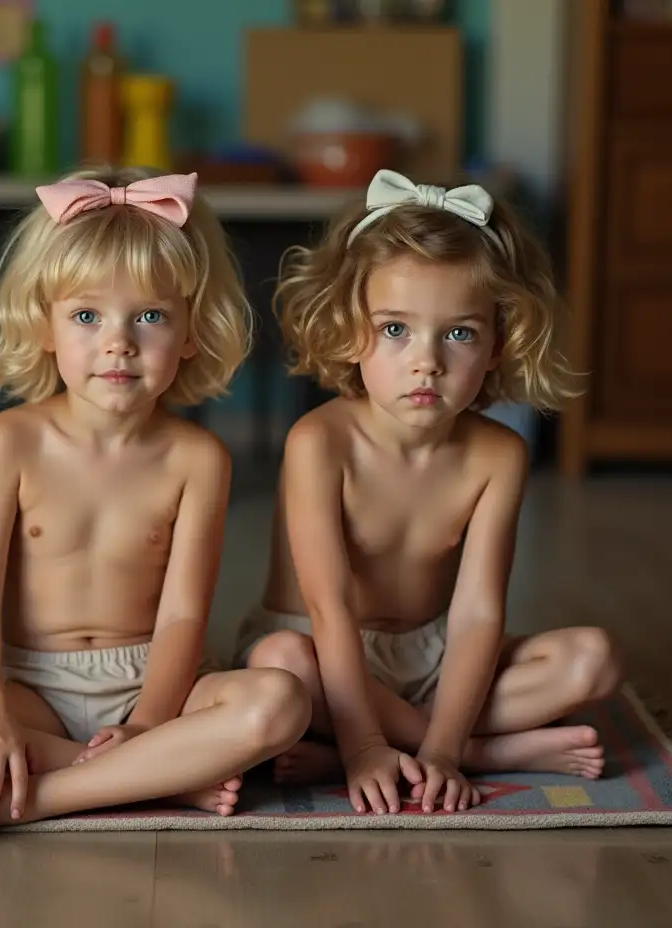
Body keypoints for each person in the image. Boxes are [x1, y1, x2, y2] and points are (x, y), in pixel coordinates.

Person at [0, 167, 310, 846]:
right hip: (29, 687)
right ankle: (154, 779)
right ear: (44, 326)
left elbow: (185, 612)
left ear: (192, 331)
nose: (118, 341)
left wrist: (154, 719)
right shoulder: (10, 440)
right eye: (86, 315)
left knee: (279, 702)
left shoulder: (198, 458)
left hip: (153, 679)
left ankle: (44, 796)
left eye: (151, 316)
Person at [236, 169, 621, 815]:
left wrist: (443, 751)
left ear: (501, 342)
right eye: (395, 329)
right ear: (348, 324)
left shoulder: (499, 454)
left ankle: (432, 745)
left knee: (592, 660)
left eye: (460, 333)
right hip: (321, 647)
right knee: (281, 663)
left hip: (432, 656)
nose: (427, 361)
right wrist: (362, 750)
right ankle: (491, 751)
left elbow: (476, 614)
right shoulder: (319, 442)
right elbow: (329, 608)